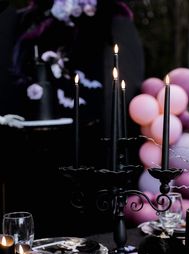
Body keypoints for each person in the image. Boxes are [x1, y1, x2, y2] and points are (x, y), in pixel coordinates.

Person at [5, 0, 145, 237]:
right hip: (39, 149)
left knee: (94, 222)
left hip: (97, 146)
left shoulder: (113, 22)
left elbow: (124, 89)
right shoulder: (26, 22)